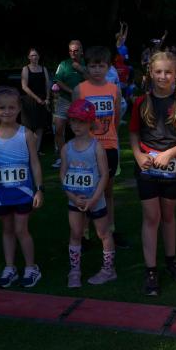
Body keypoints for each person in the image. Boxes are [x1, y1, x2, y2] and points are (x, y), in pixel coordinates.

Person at [129, 51, 176, 296]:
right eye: (158, 72)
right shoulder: (141, 102)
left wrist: (170, 153)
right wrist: (138, 155)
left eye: (168, 72)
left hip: (174, 168)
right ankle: (150, 269)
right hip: (146, 167)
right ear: (150, 73)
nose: (163, 76)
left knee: (168, 215)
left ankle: (171, 260)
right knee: (151, 216)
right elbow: (133, 133)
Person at [0, 86, 44, 288]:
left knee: (21, 229)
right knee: (7, 230)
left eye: (11, 107)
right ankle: (10, 268)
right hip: (1, 195)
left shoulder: (26, 134)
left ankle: (31, 267)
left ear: (18, 109)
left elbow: (35, 163)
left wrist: (39, 189)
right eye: (2, 108)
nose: (7, 111)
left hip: (23, 193)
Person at [73, 46, 128, 249]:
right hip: (87, 148)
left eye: (101, 66)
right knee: (85, 190)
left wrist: (108, 136)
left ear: (108, 67)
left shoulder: (114, 89)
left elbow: (116, 118)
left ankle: (109, 229)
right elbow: (75, 119)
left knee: (107, 192)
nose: (97, 70)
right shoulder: (80, 90)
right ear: (87, 67)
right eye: (93, 66)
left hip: (109, 146)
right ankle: (84, 234)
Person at [60, 99, 115, 288]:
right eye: (73, 121)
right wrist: (72, 197)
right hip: (74, 200)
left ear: (90, 122)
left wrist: (95, 199)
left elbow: (104, 174)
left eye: (82, 121)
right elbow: (63, 175)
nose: (77, 125)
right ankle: (74, 271)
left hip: (95, 199)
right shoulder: (66, 148)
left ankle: (108, 270)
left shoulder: (96, 147)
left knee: (103, 233)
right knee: (76, 233)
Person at [52, 40, 86, 168]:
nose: (73, 53)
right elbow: (58, 81)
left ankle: (81, 156)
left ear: (81, 51)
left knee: (81, 130)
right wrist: (72, 91)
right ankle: (62, 157)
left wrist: (81, 69)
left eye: (76, 51)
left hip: (81, 102)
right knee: (58, 129)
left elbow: (92, 80)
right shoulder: (64, 64)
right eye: (71, 51)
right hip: (64, 100)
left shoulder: (87, 64)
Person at [20, 48, 51, 153]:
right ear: (28, 57)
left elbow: (47, 84)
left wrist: (47, 98)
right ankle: (28, 150)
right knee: (29, 127)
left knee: (40, 126)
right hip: (29, 101)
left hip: (42, 101)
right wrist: (37, 98)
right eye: (32, 55)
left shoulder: (43, 69)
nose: (34, 57)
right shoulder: (25, 69)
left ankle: (36, 151)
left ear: (39, 56)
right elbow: (24, 86)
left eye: (36, 55)